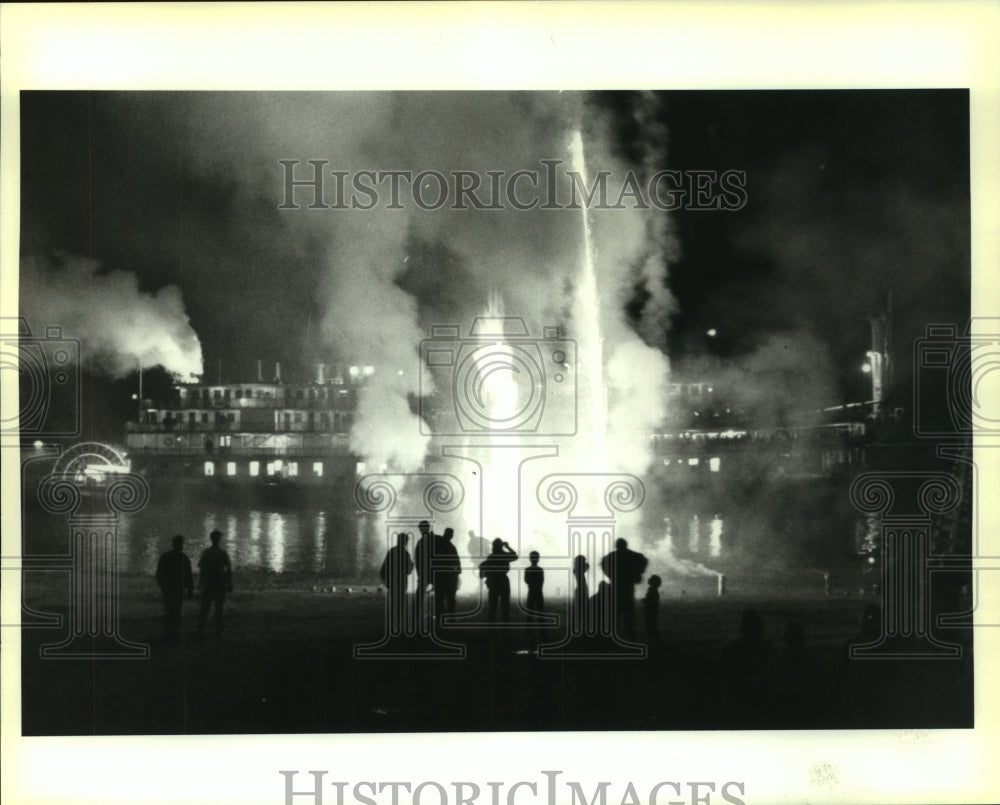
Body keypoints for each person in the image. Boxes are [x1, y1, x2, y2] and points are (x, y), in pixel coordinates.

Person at [600, 538, 648, 640]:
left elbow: (603, 563)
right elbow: (644, 560)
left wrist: (610, 575)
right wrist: (638, 573)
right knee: (629, 613)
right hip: (628, 587)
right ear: (626, 545)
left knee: (614, 613)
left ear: (616, 545)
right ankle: (631, 635)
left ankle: (612, 634)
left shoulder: (611, 556)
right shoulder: (634, 556)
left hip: (615, 587)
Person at [155, 534, 193, 640]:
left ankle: (168, 631)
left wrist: (162, 585)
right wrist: (190, 589)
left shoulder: (165, 556)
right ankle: (176, 632)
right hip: (179, 588)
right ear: (181, 545)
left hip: (168, 588)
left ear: (173, 544)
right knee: (177, 610)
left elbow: (159, 573)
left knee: (168, 609)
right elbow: (188, 575)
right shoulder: (184, 558)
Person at [198, 529, 233, 638]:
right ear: (219, 540)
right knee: (219, 608)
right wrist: (229, 583)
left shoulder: (206, 552)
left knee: (205, 608)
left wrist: (200, 582)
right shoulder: (222, 553)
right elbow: (228, 569)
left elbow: (202, 569)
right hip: (220, 582)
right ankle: (218, 631)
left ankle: (202, 630)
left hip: (209, 582)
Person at [380, 531, 414, 631]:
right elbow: (409, 570)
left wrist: (385, 580)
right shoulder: (405, 554)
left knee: (394, 602)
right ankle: (398, 624)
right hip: (402, 582)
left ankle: (392, 623)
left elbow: (384, 568)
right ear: (406, 542)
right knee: (400, 603)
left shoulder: (392, 551)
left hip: (392, 581)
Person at [478, 538, 518, 622]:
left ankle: (491, 627)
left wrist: (483, 573)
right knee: (505, 606)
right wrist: (508, 547)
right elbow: (515, 556)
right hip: (503, 581)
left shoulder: (491, 557)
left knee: (492, 606)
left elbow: (483, 569)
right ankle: (505, 627)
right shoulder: (504, 555)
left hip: (493, 582)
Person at [433, 527, 462, 615]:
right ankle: (449, 615)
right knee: (450, 597)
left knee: (440, 598)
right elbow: (457, 561)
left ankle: (440, 615)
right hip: (449, 576)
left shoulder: (438, 543)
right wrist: (458, 571)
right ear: (451, 536)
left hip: (441, 575)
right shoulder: (450, 547)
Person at [413, 520, 434, 616]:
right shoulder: (434, 540)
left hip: (424, 572)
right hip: (434, 572)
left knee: (419, 595)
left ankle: (416, 614)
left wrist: (419, 573)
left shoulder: (420, 542)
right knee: (438, 595)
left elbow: (417, 559)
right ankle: (436, 613)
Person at [524, 551, 544, 625]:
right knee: (540, 610)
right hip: (539, 591)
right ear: (538, 559)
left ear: (530, 559)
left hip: (531, 590)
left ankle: (529, 627)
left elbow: (526, 580)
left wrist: (531, 584)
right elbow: (542, 581)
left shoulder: (527, 569)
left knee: (530, 609)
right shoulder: (540, 570)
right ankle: (542, 626)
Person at [571, 554, 590, 633]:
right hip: (582, 590)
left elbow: (586, 566)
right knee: (582, 608)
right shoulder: (578, 570)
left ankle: (576, 627)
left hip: (580, 590)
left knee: (579, 608)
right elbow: (587, 566)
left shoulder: (576, 569)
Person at [643, 574, 662, 642]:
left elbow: (650, 600)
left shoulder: (651, 589)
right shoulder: (654, 590)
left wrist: (645, 600)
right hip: (653, 610)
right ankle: (654, 636)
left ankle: (652, 637)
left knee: (650, 623)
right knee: (653, 623)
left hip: (650, 610)